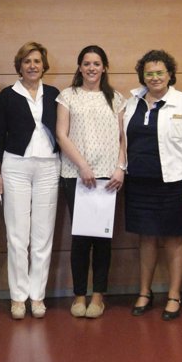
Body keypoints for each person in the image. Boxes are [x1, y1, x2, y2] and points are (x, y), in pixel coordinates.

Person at [124, 50, 182, 321]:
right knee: (145, 238)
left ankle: (173, 295)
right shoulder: (131, 102)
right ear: (142, 76)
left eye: (160, 72)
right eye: (149, 73)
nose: (155, 77)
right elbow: (122, 140)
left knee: (173, 238)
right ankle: (145, 293)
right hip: (138, 182)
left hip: (173, 183)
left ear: (170, 74)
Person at [0, 42, 60, 320]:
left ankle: (37, 296)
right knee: (18, 235)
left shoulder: (54, 94)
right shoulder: (8, 95)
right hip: (15, 166)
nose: (32, 65)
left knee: (42, 236)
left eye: (37, 61)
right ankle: (18, 297)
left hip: (48, 167)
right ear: (19, 65)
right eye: (27, 61)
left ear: (44, 65)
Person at [56, 45, 126, 319]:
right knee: (81, 238)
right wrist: (83, 165)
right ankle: (79, 295)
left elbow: (123, 138)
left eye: (97, 63)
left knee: (102, 238)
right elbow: (62, 135)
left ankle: (99, 295)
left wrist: (120, 168)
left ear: (104, 67)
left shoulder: (117, 99)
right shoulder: (67, 96)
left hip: (108, 178)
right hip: (76, 176)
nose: (92, 68)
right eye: (86, 63)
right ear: (80, 67)